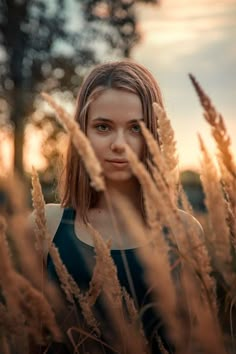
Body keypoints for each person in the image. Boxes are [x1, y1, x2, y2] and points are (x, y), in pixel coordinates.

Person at [32, 60, 203, 353]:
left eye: (136, 128)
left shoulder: (185, 230)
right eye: (103, 127)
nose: (120, 144)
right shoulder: (45, 224)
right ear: (81, 133)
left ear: (155, 135)